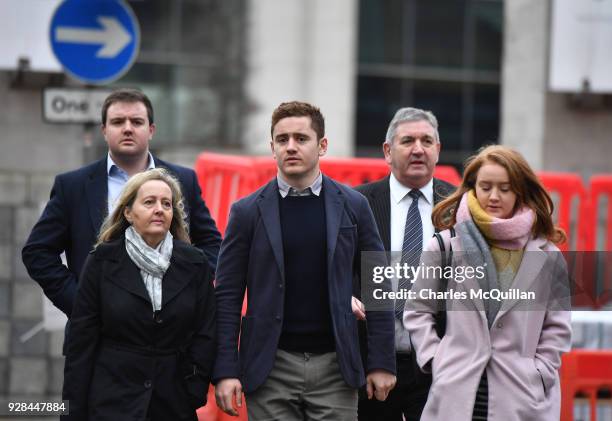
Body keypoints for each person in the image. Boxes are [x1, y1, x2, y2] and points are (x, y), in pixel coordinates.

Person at [213, 101, 397, 420]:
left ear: (322, 145)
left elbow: (378, 284)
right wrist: (225, 370)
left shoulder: (354, 206)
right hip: (269, 367)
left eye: (301, 138)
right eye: (282, 140)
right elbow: (226, 297)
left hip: (336, 367)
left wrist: (381, 362)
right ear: (272, 148)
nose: (291, 147)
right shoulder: (246, 213)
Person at [404, 145, 572, 421]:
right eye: (485, 187)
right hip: (456, 392)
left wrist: (539, 371)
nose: (494, 196)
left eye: (505, 188)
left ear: (520, 190)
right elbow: (418, 310)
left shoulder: (548, 257)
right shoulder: (445, 246)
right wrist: (436, 358)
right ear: (473, 187)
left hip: (521, 396)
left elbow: (557, 327)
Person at [22, 88, 221, 318]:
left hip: (170, 331)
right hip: (97, 336)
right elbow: (37, 252)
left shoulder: (183, 180)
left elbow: (212, 244)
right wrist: (80, 301)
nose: (127, 128)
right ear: (104, 131)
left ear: (151, 130)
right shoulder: (72, 186)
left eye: (136, 121)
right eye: (118, 122)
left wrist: (187, 291)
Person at [61, 168, 216, 421]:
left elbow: (206, 331)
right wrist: (72, 411)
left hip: (174, 402)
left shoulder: (195, 263)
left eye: (167, 204)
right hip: (111, 400)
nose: (159, 209)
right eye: (149, 202)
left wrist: (193, 388)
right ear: (128, 213)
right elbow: (82, 340)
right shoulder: (102, 261)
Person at [353, 107, 455, 420]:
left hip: (439, 365)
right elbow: (334, 269)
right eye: (407, 140)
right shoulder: (357, 203)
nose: (418, 149)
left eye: (427, 141)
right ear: (387, 151)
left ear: (438, 150)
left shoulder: (460, 206)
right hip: (369, 360)